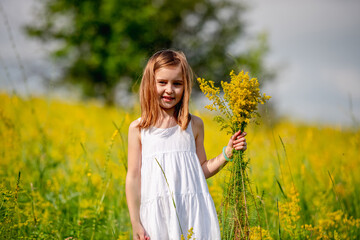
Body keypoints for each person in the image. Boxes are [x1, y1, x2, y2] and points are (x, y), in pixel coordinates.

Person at [126, 49, 247, 240]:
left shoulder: (194, 125)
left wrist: (227, 153)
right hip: (157, 217)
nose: (169, 90)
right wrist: (135, 223)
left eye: (177, 84)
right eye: (162, 82)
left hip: (193, 213)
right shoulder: (139, 129)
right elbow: (133, 178)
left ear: (185, 87)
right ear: (150, 83)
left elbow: (201, 171)